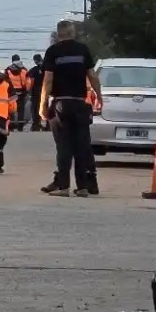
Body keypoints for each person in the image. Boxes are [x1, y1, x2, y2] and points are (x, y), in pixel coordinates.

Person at [38, 20, 102, 197]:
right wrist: (99, 95)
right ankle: (82, 187)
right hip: (80, 103)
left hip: (61, 103)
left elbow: (48, 80)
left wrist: (42, 105)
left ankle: (63, 186)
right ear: (72, 33)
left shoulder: (53, 52)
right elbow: (92, 75)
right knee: (81, 145)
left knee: (63, 146)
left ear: (59, 34)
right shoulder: (83, 50)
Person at [5, 54, 29, 131]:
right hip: (22, 92)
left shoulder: (8, 70)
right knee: (21, 110)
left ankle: (11, 126)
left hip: (11, 93)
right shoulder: (24, 70)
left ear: (12, 61)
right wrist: (26, 91)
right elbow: (28, 82)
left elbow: (5, 82)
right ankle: (20, 126)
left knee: (11, 109)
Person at [26, 54, 45, 131]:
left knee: (35, 108)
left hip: (36, 91)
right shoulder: (47, 68)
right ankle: (48, 126)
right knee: (45, 107)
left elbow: (30, 80)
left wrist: (29, 91)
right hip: (46, 91)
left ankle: (36, 125)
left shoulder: (33, 70)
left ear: (35, 61)